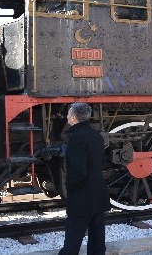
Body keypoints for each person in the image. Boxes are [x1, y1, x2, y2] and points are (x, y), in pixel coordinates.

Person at [59, 102, 111, 255]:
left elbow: (78, 171)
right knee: (97, 239)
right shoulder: (96, 136)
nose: (67, 116)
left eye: (68, 114)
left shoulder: (76, 138)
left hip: (82, 195)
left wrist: (70, 188)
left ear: (74, 117)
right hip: (99, 192)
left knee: (73, 238)